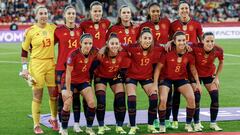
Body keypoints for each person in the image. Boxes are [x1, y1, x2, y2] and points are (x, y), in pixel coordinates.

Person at [153, 31, 202, 133]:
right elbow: (158, 68)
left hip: (181, 79)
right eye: (179, 40)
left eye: (184, 40)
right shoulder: (168, 51)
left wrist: (197, 83)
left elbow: (193, 69)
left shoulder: (189, 53)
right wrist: (154, 84)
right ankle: (162, 125)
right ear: (174, 42)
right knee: (162, 99)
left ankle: (188, 124)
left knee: (192, 98)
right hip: (166, 78)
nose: (182, 42)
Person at [20, 6, 58, 134]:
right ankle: (36, 124)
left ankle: (53, 119)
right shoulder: (30, 31)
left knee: (54, 93)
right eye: (41, 13)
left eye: (45, 13)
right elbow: (24, 52)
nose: (43, 15)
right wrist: (25, 69)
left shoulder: (53, 27)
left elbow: (60, 40)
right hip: (37, 64)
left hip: (51, 63)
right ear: (36, 16)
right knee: (38, 95)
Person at [169, 1, 203, 130]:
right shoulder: (173, 25)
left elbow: (201, 42)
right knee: (176, 93)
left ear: (189, 10)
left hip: (192, 62)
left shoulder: (196, 24)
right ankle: (175, 120)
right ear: (178, 11)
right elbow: (170, 41)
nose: (184, 10)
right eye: (182, 8)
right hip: (178, 63)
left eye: (186, 8)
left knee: (196, 93)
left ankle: (196, 121)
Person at [123, 28, 163, 135]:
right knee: (132, 98)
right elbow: (117, 45)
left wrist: (172, 43)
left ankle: (151, 125)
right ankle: (132, 126)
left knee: (154, 97)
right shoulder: (132, 47)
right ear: (140, 39)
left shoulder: (157, 48)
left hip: (146, 77)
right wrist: (104, 48)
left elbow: (170, 47)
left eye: (149, 38)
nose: (147, 40)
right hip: (132, 76)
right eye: (145, 38)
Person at [139, 2, 171, 129]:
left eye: (157, 11)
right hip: (151, 64)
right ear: (148, 12)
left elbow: (175, 36)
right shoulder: (144, 26)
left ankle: (165, 119)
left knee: (167, 91)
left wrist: (170, 41)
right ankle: (153, 120)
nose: (156, 13)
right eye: (153, 11)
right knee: (153, 92)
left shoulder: (167, 22)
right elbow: (139, 42)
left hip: (165, 62)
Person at [54, 5, 83, 134]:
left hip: (76, 70)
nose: (71, 15)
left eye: (73, 13)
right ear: (65, 15)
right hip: (61, 68)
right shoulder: (58, 31)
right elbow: (49, 45)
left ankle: (76, 124)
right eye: (69, 13)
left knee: (76, 97)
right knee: (62, 97)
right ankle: (62, 125)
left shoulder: (80, 30)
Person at [61, 33, 97, 135]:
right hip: (69, 81)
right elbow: (68, 73)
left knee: (91, 103)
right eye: (85, 43)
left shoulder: (94, 51)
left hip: (83, 81)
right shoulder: (73, 54)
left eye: (90, 43)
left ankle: (89, 128)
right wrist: (68, 91)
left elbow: (104, 51)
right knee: (67, 103)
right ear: (80, 43)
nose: (88, 45)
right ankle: (64, 129)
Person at [94, 33, 127, 134]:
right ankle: (101, 125)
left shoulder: (123, 52)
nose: (114, 46)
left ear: (120, 44)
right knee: (101, 101)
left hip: (114, 77)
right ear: (107, 44)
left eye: (116, 43)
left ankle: (119, 126)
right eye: (112, 43)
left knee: (120, 98)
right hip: (101, 77)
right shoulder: (101, 54)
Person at [191, 32, 224, 131]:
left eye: (212, 41)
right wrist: (197, 83)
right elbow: (192, 66)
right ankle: (196, 123)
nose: (210, 43)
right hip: (195, 75)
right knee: (196, 97)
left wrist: (216, 77)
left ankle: (213, 123)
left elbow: (221, 62)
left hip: (209, 75)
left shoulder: (218, 50)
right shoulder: (195, 47)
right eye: (207, 41)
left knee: (215, 97)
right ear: (202, 41)